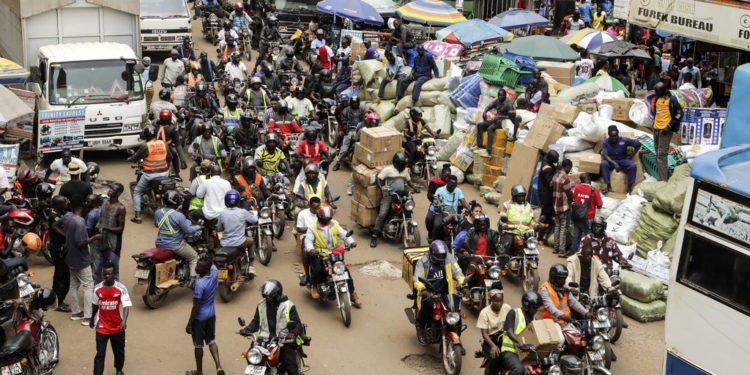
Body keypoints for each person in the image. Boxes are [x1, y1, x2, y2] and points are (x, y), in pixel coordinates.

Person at [240, 280, 304, 375]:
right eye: (265, 296)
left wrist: (292, 333)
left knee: (291, 367)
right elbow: (256, 321)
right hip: (265, 339)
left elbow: (297, 324)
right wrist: (247, 329)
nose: (267, 298)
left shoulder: (288, 305)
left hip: (283, 340)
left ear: (277, 294)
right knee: (251, 355)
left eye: (270, 296)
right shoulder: (261, 305)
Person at [55, 197, 101, 326]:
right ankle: (87, 316)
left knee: (74, 285)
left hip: (70, 257)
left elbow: (55, 225)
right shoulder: (79, 221)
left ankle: (75, 313)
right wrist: (94, 238)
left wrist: (67, 236)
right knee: (88, 286)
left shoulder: (68, 216)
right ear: (83, 205)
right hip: (81, 259)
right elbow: (80, 243)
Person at [303, 205, 361, 305]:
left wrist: (351, 242)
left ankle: (352, 294)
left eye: (329, 217)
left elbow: (344, 234)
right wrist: (311, 249)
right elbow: (308, 241)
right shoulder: (313, 227)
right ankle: (314, 286)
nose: (328, 220)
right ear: (319, 217)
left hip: (334, 253)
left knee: (345, 271)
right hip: (319, 253)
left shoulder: (334, 224)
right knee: (317, 269)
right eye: (326, 218)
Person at [412, 240, 465, 344]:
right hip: (429, 294)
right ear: (432, 252)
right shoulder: (423, 262)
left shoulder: (449, 258)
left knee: (456, 310)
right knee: (427, 304)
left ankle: (457, 337)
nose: (441, 258)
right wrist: (423, 290)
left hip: (446, 293)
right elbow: (416, 280)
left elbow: (458, 273)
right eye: (438, 255)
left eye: (443, 255)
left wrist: (464, 286)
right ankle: (421, 328)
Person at [371, 152, 421, 247]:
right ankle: (374, 236)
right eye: (401, 164)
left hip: (401, 195)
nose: (403, 166)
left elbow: (409, 181)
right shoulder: (388, 170)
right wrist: (382, 188)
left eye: (404, 164)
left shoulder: (405, 171)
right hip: (389, 195)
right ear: (396, 163)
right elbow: (378, 178)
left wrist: (414, 187)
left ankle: (405, 229)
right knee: (382, 214)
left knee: (408, 210)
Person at [186, 258, 226, 375]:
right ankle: (219, 367)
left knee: (198, 345)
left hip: (200, 318)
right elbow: (212, 263)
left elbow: (196, 307)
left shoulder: (200, 284)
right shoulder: (214, 272)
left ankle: (199, 371)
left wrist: (189, 324)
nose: (196, 268)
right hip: (211, 314)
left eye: (199, 266)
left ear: (205, 269)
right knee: (211, 341)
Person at [90, 262, 131, 375]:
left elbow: (126, 305)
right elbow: (95, 305)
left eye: (110, 274)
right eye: (105, 274)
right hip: (102, 327)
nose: (107, 276)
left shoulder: (121, 288)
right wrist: (91, 318)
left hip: (117, 327)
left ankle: (119, 370)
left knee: (119, 351)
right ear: (102, 274)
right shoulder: (97, 289)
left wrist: (124, 321)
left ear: (114, 274)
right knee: (100, 353)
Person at [129, 126, 171, 223]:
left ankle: (138, 216)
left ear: (146, 136)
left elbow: (136, 157)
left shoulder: (145, 146)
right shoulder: (163, 144)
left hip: (150, 175)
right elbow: (170, 157)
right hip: (164, 173)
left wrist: (130, 159)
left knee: (137, 192)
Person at [155, 191, 201, 279]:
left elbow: (157, 225)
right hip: (175, 245)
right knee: (194, 256)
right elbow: (188, 230)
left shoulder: (158, 212)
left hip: (160, 243)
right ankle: (192, 280)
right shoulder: (179, 216)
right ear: (177, 202)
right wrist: (198, 227)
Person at [499, 291, 543, 375]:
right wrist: (519, 342)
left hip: (525, 353)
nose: (536, 310)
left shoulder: (533, 319)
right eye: (534, 308)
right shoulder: (513, 313)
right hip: (510, 352)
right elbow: (510, 332)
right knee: (519, 370)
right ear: (526, 305)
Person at [218, 190, 257, 276]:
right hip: (240, 242)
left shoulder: (222, 213)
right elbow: (254, 220)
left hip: (225, 243)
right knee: (251, 241)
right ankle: (251, 267)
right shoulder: (242, 212)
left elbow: (219, 228)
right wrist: (256, 215)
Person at [648, 82, 682, 181]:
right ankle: (660, 176)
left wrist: (669, 126)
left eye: (657, 91)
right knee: (658, 154)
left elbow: (679, 113)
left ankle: (662, 180)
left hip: (665, 130)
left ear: (663, 90)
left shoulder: (672, 99)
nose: (655, 92)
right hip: (656, 128)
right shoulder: (657, 98)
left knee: (662, 156)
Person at [477, 285, 512, 375]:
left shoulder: (507, 308)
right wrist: (493, 346)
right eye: (496, 301)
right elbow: (484, 333)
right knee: (496, 356)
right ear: (490, 301)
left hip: (503, 337)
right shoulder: (484, 313)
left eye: (501, 301)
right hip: (490, 340)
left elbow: (513, 320)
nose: (499, 303)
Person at [94, 183, 126, 282]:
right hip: (101, 241)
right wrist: (98, 224)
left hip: (113, 244)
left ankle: (114, 294)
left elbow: (120, 228)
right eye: (110, 188)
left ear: (119, 193)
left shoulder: (120, 208)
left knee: (113, 271)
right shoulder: (105, 202)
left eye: (113, 189)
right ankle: (97, 293)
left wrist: (104, 227)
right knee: (96, 270)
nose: (110, 190)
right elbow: (101, 217)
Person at [459, 214, 500, 284]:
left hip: (488, 261)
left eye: (484, 224)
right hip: (474, 259)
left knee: (497, 281)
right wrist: (465, 252)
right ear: (476, 224)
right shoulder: (471, 232)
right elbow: (465, 243)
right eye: (480, 224)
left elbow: (497, 247)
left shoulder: (492, 233)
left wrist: (503, 253)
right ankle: (465, 285)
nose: (483, 226)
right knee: (471, 270)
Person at [426, 175, 470, 241]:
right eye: (450, 185)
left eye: (454, 185)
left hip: (453, 213)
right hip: (441, 212)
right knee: (437, 225)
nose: (452, 187)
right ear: (447, 183)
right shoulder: (440, 191)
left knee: (464, 225)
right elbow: (437, 207)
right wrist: (439, 209)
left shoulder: (458, 190)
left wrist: (470, 209)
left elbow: (463, 201)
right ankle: (435, 241)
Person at [601, 126, 641, 193]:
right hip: (611, 161)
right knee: (603, 164)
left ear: (618, 134)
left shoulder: (624, 140)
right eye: (612, 136)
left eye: (615, 136)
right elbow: (605, 155)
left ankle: (629, 189)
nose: (614, 138)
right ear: (609, 135)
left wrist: (631, 156)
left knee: (632, 166)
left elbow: (638, 144)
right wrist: (615, 164)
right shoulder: (605, 142)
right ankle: (608, 186)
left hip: (622, 160)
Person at [48, 195, 71, 312]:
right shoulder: (54, 217)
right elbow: (62, 229)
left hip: (59, 249)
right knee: (63, 276)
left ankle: (56, 300)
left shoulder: (59, 213)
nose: (67, 203)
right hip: (58, 250)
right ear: (58, 205)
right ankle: (59, 302)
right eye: (64, 203)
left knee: (60, 275)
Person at [499, 185, 535, 254]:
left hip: (524, 233)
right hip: (510, 232)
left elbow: (532, 220)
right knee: (506, 247)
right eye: (519, 196)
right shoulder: (507, 205)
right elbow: (502, 217)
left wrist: (536, 225)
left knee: (532, 245)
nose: (522, 198)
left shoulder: (528, 206)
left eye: (523, 196)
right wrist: (504, 224)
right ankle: (502, 261)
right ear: (514, 196)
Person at [332, 96, 365, 171]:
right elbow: (343, 121)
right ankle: (338, 163)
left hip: (360, 130)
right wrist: (346, 130)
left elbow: (363, 120)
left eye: (356, 102)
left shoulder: (362, 110)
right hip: (350, 130)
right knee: (344, 149)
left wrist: (360, 128)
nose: (354, 104)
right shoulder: (346, 111)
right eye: (353, 102)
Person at [571, 173, 602, 253]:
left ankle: (574, 254)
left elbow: (574, 199)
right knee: (588, 238)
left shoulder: (577, 188)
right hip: (588, 217)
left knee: (576, 236)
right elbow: (599, 205)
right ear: (589, 179)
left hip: (577, 216)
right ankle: (585, 254)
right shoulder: (595, 190)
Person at [296, 197, 321, 285]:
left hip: (321, 237)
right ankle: (307, 275)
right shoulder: (302, 214)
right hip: (307, 237)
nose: (316, 210)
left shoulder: (322, 213)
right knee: (306, 251)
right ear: (309, 205)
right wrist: (313, 229)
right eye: (314, 208)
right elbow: (299, 229)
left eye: (318, 207)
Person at [552, 159, 574, 257]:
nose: (570, 170)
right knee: (563, 229)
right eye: (570, 168)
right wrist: (572, 199)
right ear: (568, 167)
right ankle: (561, 250)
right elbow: (569, 192)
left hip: (556, 205)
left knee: (557, 226)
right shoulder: (566, 177)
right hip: (564, 206)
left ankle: (556, 248)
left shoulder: (555, 175)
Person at [155, 109, 183, 179]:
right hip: (167, 148)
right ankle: (177, 173)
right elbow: (177, 142)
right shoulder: (172, 128)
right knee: (175, 156)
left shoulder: (155, 125)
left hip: (155, 147)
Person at [538, 151, 559, 242]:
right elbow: (550, 183)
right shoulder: (547, 168)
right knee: (545, 216)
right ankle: (540, 237)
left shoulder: (546, 161)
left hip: (546, 192)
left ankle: (545, 235)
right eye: (556, 159)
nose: (557, 160)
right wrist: (557, 172)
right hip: (546, 194)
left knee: (550, 214)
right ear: (551, 158)